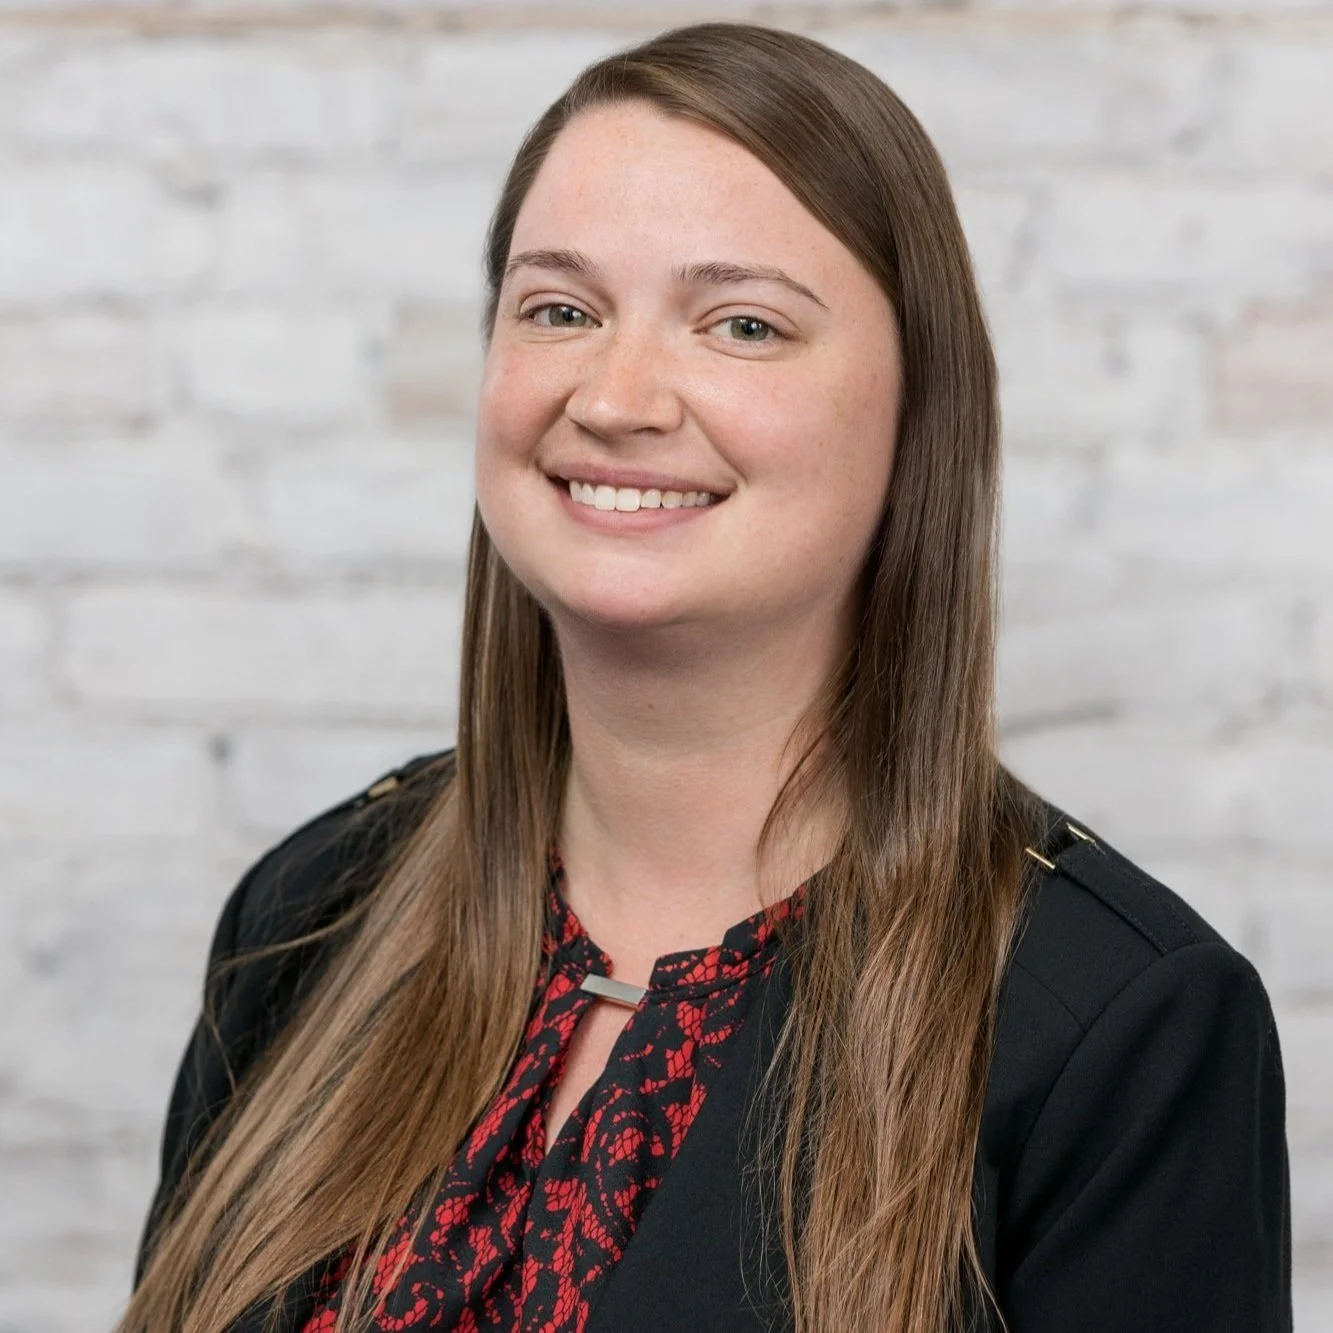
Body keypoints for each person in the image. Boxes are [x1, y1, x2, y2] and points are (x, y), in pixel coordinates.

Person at [120, 21, 1291, 1333]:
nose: (617, 397)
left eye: (741, 324)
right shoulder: (310, 914)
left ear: (918, 410)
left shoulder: (1121, 1030)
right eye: (560, 309)